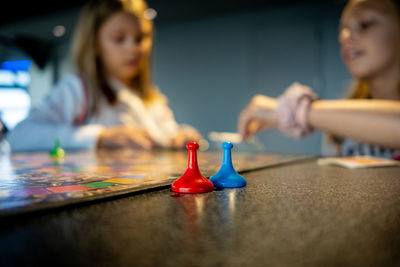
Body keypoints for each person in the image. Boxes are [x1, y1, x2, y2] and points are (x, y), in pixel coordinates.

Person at [7, 0, 201, 152]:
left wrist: (180, 136)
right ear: (95, 45)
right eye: (119, 39)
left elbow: (165, 132)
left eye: (140, 38)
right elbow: (20, 135)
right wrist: (101, 138)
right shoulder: (78, 89)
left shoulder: (149, 96)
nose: (134, 49)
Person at [238, 0, 400, 158]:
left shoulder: (328, 119)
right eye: (343, 29)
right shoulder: (338, 132)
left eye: (365, 24)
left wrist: (294, 111)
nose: (344, 38)